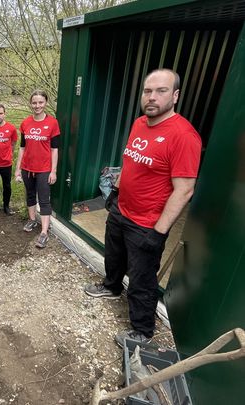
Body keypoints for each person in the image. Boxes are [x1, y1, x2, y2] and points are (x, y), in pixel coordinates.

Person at [84, 69, 202, 347]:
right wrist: (115, 192)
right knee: (114, 258)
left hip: (147, 224)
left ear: (175, 96)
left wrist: (159, 232)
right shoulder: (140, 123)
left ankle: (142, 330)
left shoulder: (184, 136)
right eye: (148, 91)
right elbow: (130, 162)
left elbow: (184, 189)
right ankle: (112, 287)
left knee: (141, 279)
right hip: (121, 211)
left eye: (161, 91)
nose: (152, 97)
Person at [14, 90, 60, 248]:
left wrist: (53, 171)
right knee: (30, 195)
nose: (37, 106)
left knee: (44, 199)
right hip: (27, 168)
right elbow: (21, 148)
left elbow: (55, 149)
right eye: (34, 103)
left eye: (40, 102)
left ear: (45, 102)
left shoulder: (53, 123)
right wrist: (18, 168)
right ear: (30, 103)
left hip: (44, 169)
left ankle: (44, 232)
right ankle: (32, 220)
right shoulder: (25, 123)